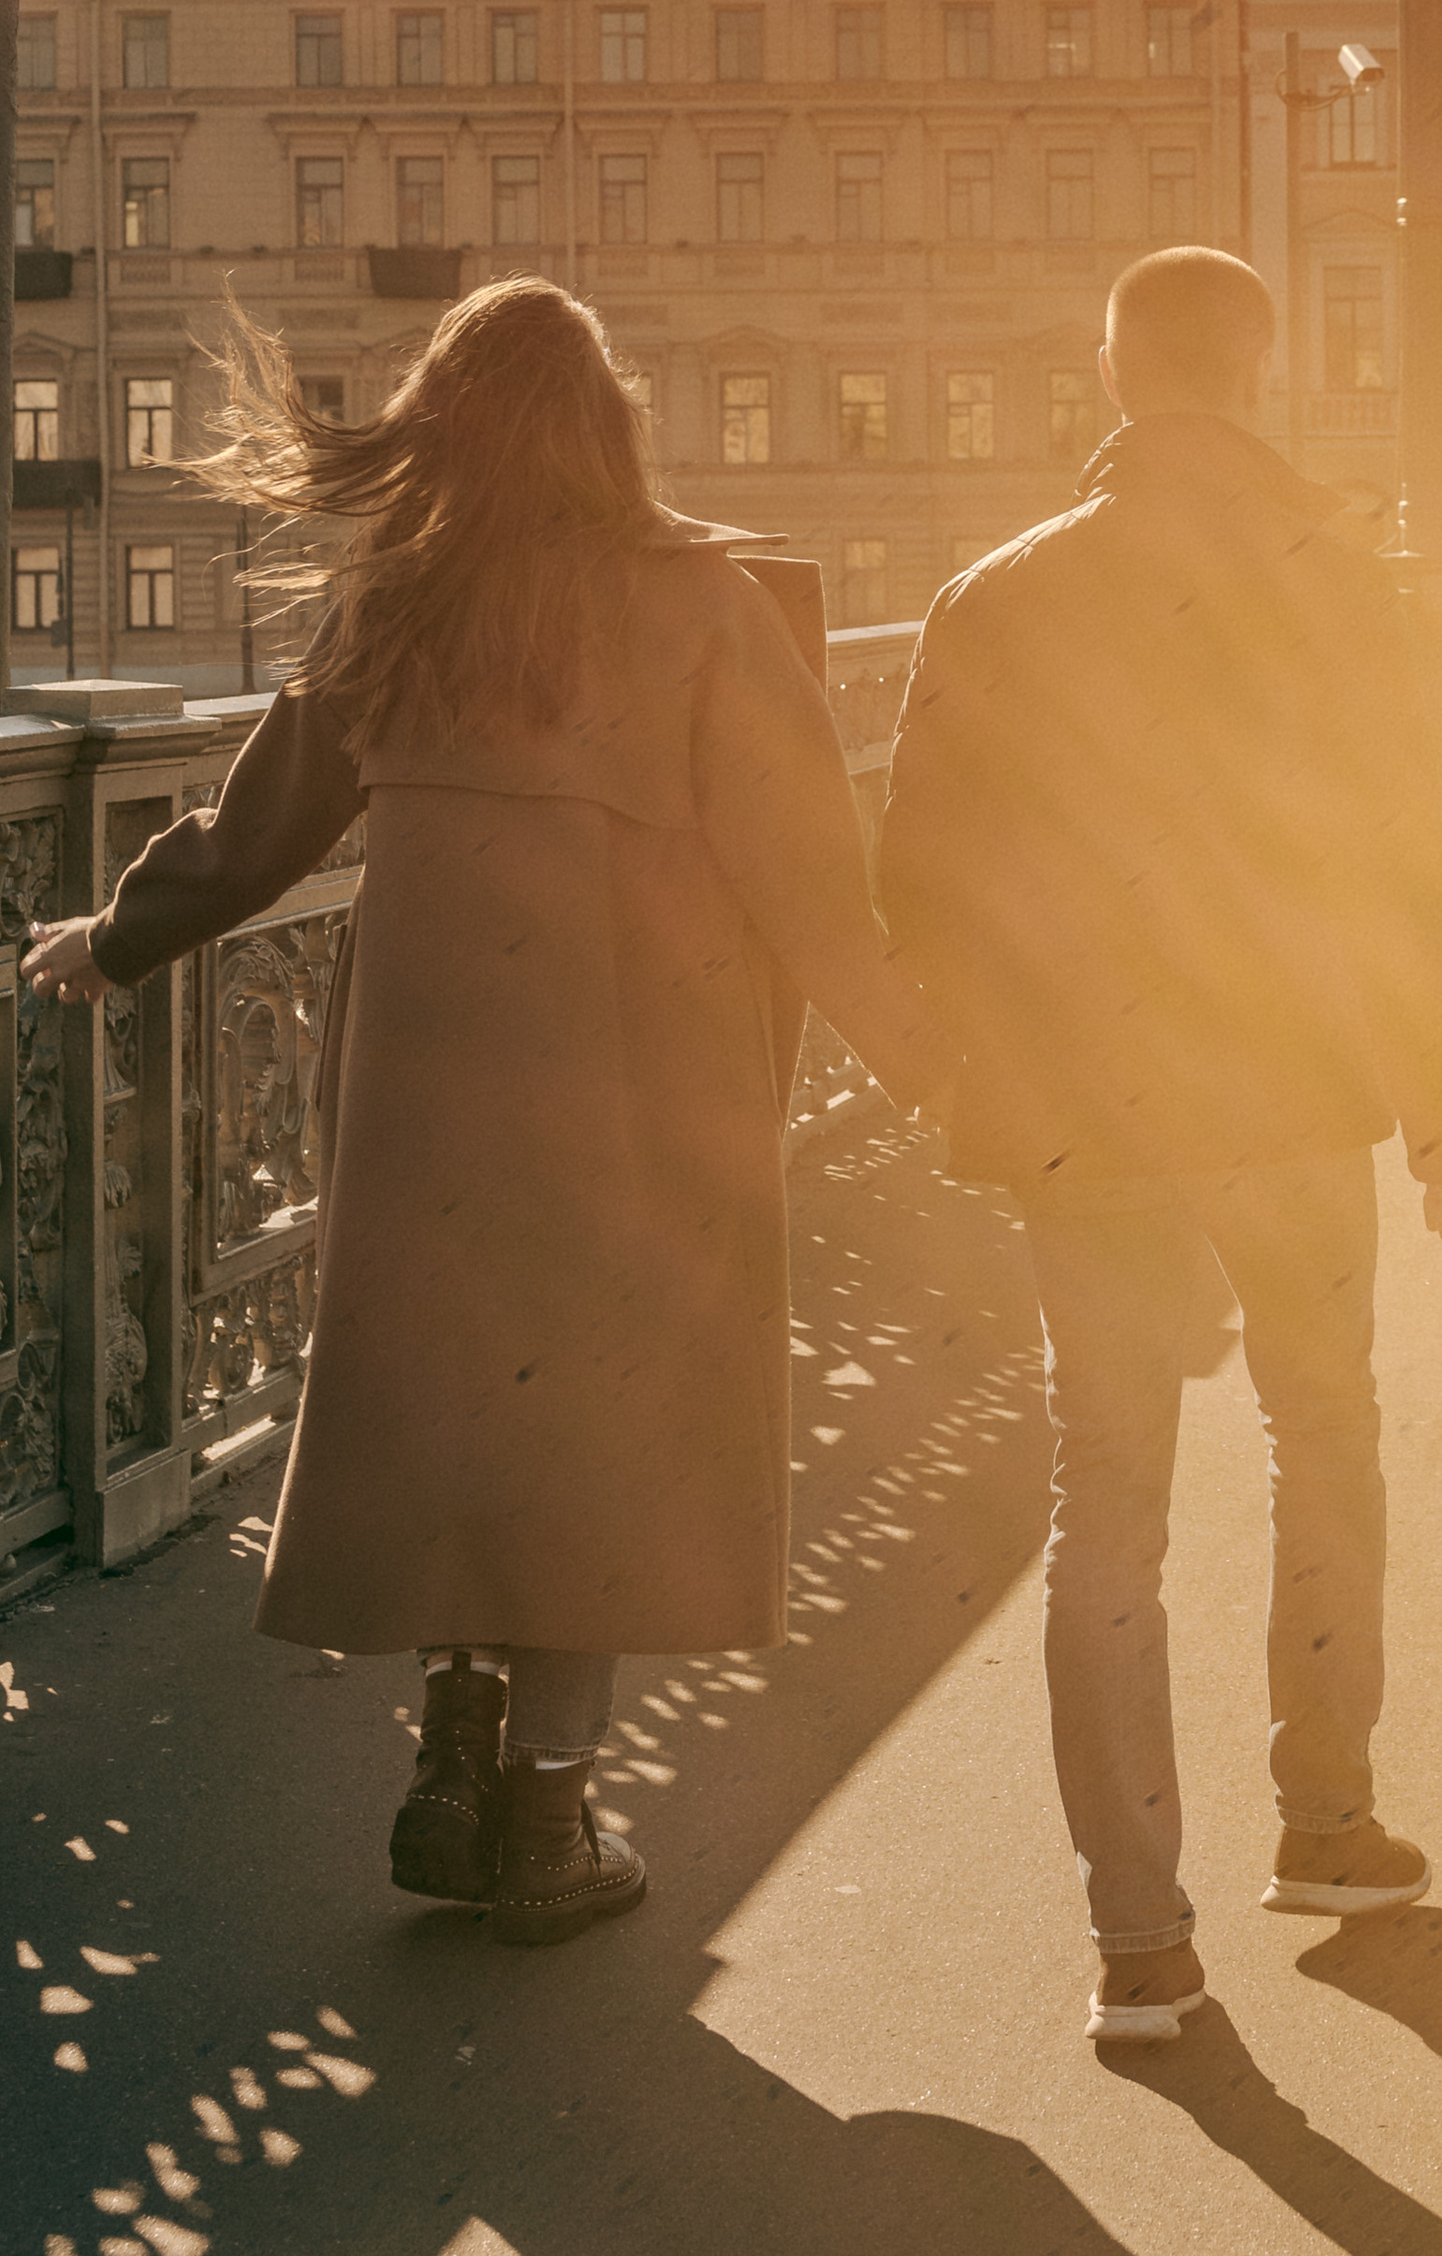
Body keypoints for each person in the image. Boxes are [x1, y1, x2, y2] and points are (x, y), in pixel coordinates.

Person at [21, 278, 934, 1946]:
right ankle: (543, 1808)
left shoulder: (399, 600)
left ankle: (449, 1731)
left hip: (427, 1082)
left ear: (438, 421)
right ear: (612, 423)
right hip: (639, 1070)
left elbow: (258, 829)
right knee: (602, 1411)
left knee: (454, 1385)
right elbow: (816, 877)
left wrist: (111, 935)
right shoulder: (706, 602)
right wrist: (956, 1074)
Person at [876, 246, 1442, 2049]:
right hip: (1290, 1091)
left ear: (1115, 371)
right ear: (1261, 371)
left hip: (1085, 1117)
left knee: (1107, 1501)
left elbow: (914, 876)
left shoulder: (992, 595)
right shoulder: (1331, 577)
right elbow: (1401, 856)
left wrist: (985, 1075)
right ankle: (1325, 1818)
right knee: (1325, 1428)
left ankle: (1139, 1946)